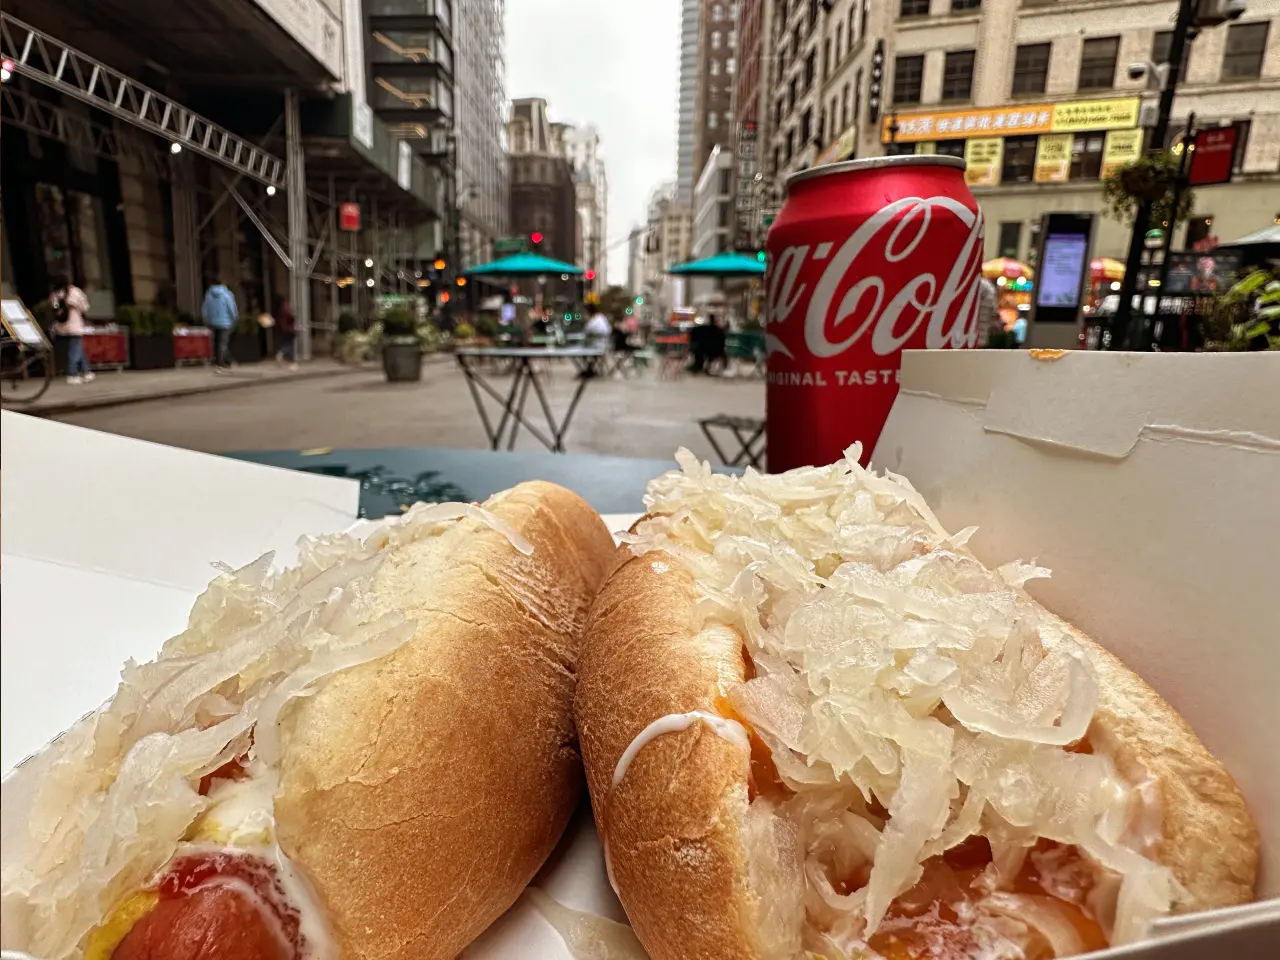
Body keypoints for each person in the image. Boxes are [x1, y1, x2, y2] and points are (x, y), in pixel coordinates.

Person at [50, 276, 95, 385]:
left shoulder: (55, 294)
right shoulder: (75, 292)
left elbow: (54, 308)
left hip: (62, 326)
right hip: (74, 325)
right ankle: (72, 374)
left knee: (79, 348)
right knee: (75, 350)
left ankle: (86, 371)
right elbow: (84, 307)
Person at [202, 279, 238, 371]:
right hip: (225, 322)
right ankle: (220, 362)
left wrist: (207, 320)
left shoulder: (208, 295)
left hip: (213, 322)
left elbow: (205, 309)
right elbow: (231, 308)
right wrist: (234, 318)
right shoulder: (227, 294)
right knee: (223, 343)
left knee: (216, 342)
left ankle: (227, 360)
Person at [274, 296, 297, 369]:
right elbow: (291, 320)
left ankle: (290, 360)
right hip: (288, 330)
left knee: (289, 345)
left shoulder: (281, 312)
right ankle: (281, 353)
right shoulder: (287, 311)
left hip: (284, 330)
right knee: (289, 345)